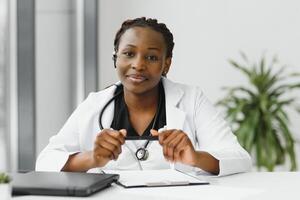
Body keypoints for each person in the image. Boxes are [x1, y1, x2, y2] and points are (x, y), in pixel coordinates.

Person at [36, 17, 251, 176]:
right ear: (115, 58)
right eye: (129, 54)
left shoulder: (191, 99)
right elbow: (45, 161)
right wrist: (91, 158)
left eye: (151, 57)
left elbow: (240, 159)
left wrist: (196, 157)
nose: (138, 65)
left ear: (166, 64)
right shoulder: (95, 104)